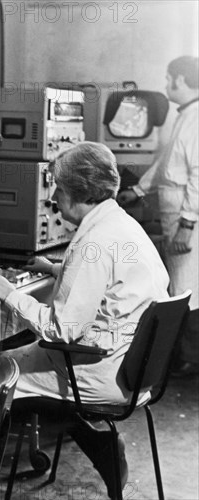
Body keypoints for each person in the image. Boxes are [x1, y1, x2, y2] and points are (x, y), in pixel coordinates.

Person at [0, 142, 169, 499]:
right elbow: (108, 281)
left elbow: (62, 329)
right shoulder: (121, 225)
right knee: (27, 352)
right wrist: (56, 269)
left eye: (57, 187)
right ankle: (99, 443)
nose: (53, 196)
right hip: (134, 369)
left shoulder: (93, 242)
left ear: (74, 192)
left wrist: (8, 292)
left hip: (99, 374)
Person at [117, 56, 199, 377]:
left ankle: (188, 360)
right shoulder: (185, 117)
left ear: (181, 80)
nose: (166, 86)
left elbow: (198, 175)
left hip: (186, 221)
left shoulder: (196, 118)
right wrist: (137, 191)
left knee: (186, 290)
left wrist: (187, 226)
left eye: (168, 79)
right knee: (181, 287)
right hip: (176, 216)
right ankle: (183, 356)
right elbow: (167, 164)